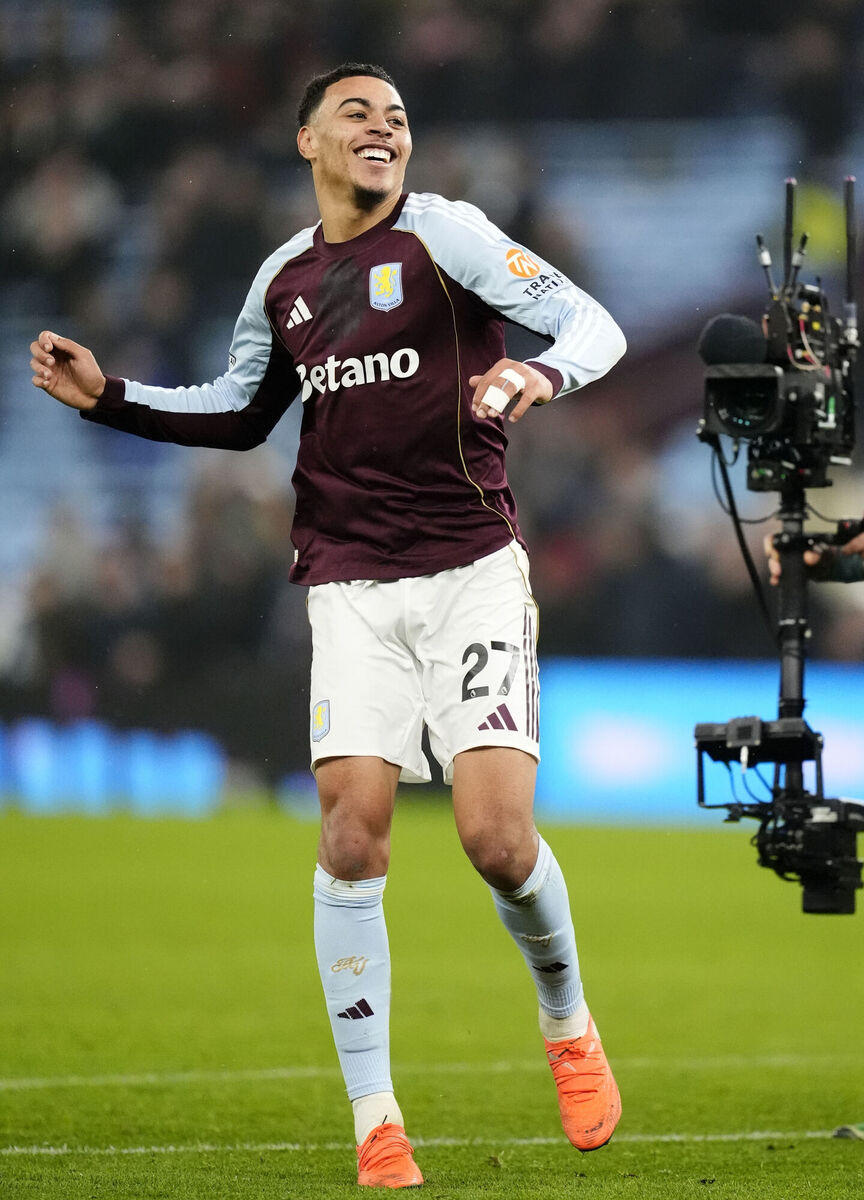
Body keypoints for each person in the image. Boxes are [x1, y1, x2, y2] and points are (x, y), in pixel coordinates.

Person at [30, 62, 627, 1189]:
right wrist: (111, 397)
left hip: (471, 575)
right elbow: (241, 409)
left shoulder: (444, 236)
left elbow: (588, 321)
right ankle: (375, 1118)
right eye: (359, 112)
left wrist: (540, 375)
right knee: (352, 830)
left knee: (497, 842)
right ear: (307, 141)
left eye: (399, 117)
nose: (385, 128)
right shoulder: (284, 280)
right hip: (350, 583)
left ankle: (568, 1022)